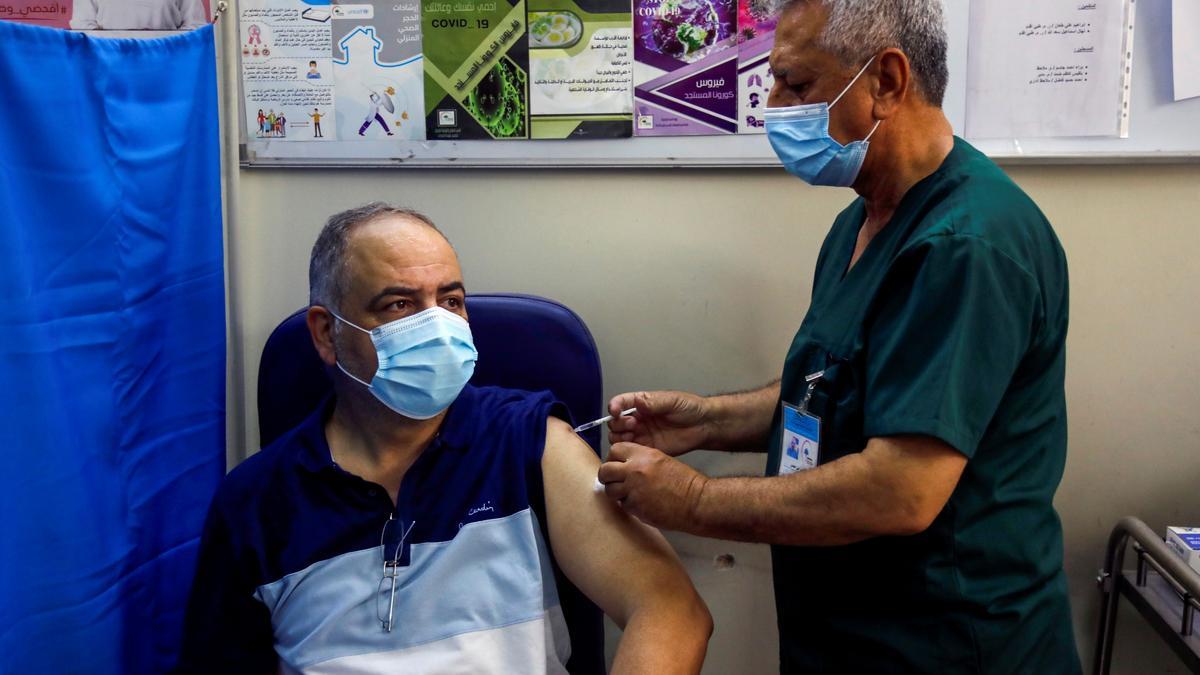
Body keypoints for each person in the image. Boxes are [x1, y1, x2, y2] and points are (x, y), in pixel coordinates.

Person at [597, 0, 1081, 673]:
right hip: (847, 635)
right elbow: (832, 385)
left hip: (946, 644)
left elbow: (901, 488)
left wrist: (692, 499)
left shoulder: (966, 246)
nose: (773, 107)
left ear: (885, 81)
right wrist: (704, 421)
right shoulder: (865, 218)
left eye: (797, 86)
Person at [177, 203, 711, 674]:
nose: (438, 325)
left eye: (451, 300)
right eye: (400, 305)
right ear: (326, 332)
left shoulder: (527, 444)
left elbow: (670, 610)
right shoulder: (256, 503)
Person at [70, 0, 207, 30]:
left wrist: (167, 47)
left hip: (167, 66)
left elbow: (195, 26)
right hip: (110, 68)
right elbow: (83, 26)